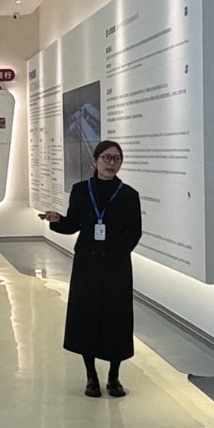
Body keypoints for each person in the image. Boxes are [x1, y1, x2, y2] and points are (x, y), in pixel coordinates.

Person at [38, 140, 143, 398]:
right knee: (86, 318)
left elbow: (134, 232)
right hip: (87, 264)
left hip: (116, 267)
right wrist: (57, 221)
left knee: (116, 319)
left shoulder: (129, 195)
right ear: (95, 161)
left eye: (116, 158)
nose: (111, 163)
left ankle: (114, 377)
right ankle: (91, 376)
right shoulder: (81, 191)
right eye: (106, 157)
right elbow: (73, 224)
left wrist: (118, 253)